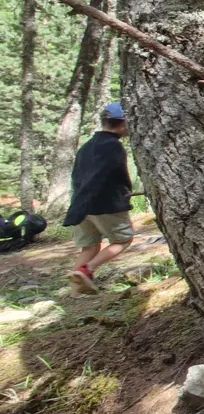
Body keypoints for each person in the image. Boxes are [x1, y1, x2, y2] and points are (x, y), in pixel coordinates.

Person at [65, 102, 135, 294]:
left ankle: (75, 293)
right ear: (122, 124)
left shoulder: (87, 147)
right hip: (105, 204)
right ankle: (87, 270)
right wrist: (123, 194)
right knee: (123, 240)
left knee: (89, 247)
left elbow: (78, 176)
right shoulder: (113, 146)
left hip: (80, 205)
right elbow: (112, 175)